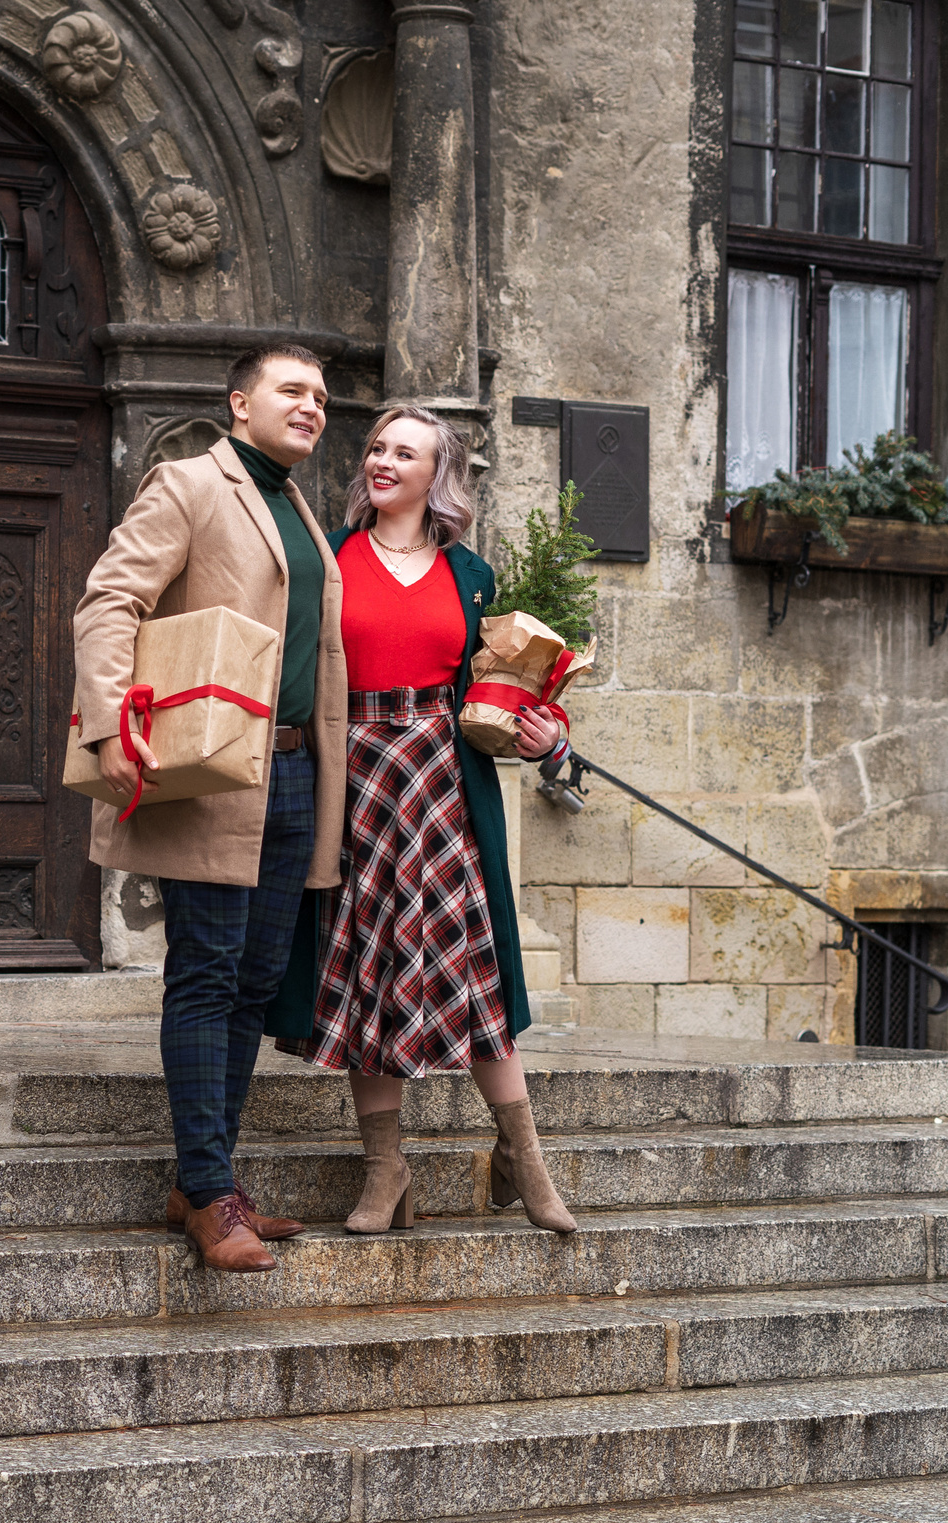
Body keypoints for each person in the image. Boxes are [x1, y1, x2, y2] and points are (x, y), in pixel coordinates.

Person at [264, 404, 579, 1237]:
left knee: (472, 972)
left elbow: (503, 688)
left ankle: (526, 1159)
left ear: (436, 474)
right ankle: (385, 1169)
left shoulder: (473, 575)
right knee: (369, 970)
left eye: (404, 451)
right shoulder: (327, 556)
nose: (382, 460)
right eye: (376, 446)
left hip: (442, 783)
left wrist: (546, 737)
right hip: (355, 777)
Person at [72, 346, 348, 1273]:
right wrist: (109, 724)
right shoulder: (190, 484)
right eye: (291, 391)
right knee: (207, 969)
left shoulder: (304, 511)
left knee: (257, 980)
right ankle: (207, 1189)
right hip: (210, 768)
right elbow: (111, 600)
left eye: (320, 396)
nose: (311, 407)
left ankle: (206, 1181)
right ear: (239, 402)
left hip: (297, 775)